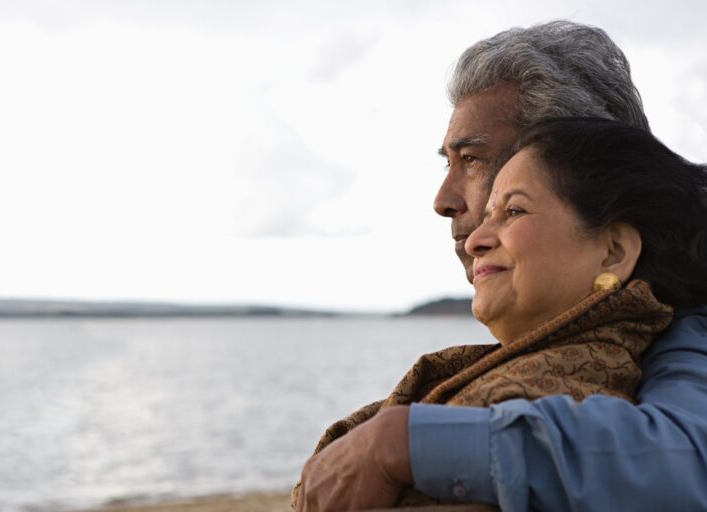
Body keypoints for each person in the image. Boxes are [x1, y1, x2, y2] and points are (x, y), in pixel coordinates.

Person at [295, 21, 707, 512]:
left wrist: (401, 442)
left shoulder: (682, 331)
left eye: (472, 159)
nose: (443, 200)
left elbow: (685, 459)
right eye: (446, 163)